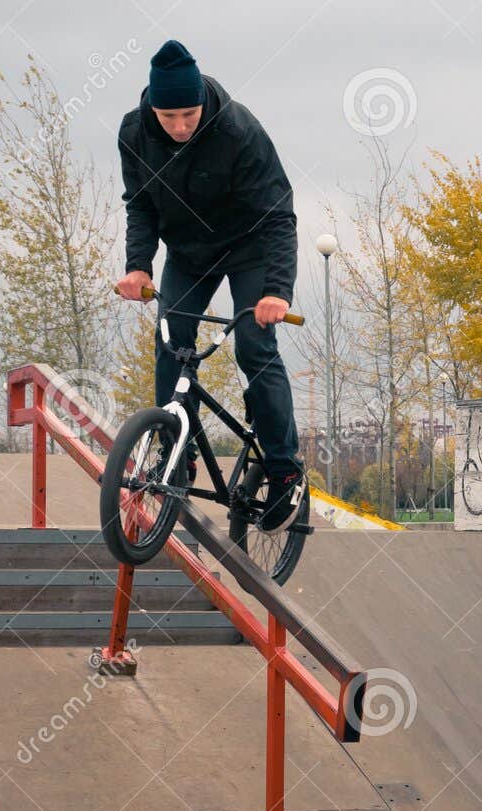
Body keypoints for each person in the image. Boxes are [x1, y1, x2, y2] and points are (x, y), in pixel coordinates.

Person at [115, 39, 302, 527]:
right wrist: (139, 266)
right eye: (168, 116)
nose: (179, 127)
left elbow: (280, 215)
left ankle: (284, 471)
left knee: (253, 348)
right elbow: (140, 204)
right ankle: (176, 452)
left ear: (203, 104)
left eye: (189, 115)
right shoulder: (134, 133)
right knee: (171, 341)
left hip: (250, 248)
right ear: (152, 108)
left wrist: (276, 291)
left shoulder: (239, 130)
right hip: (190, 252)